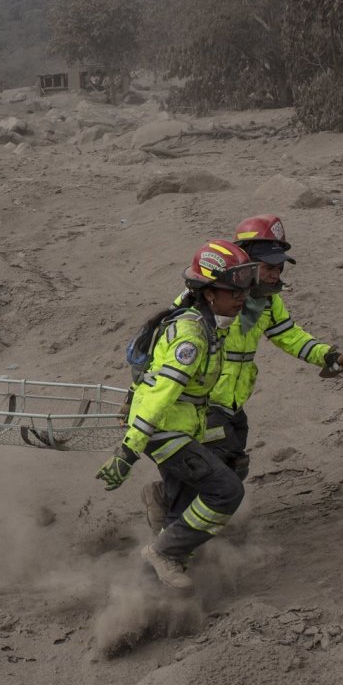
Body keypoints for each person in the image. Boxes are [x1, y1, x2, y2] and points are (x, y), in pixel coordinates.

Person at [140, 215, 343, 532]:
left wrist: (325, 354)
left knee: (233, 464)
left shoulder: (267, 301)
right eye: (268, 266)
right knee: (206, 469)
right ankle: (173, 545)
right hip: (200, 403)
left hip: (232, 401)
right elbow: (166, 345)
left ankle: (167, 505)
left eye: (279, 267)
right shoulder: (208, 295)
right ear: (246, 260)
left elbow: (288, 335)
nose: (274, 273)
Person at [97, 240, 258, 590]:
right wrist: (127, 451)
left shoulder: (207, 324)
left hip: (184, 429)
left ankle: (149, 588)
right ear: (209, 292)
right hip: (165, 432)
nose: (243, 297)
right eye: (234, 290)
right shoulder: (192, 335)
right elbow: (159, 394)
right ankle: (163, 553)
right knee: (226, 491)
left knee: (182, 507)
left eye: (245, 288)